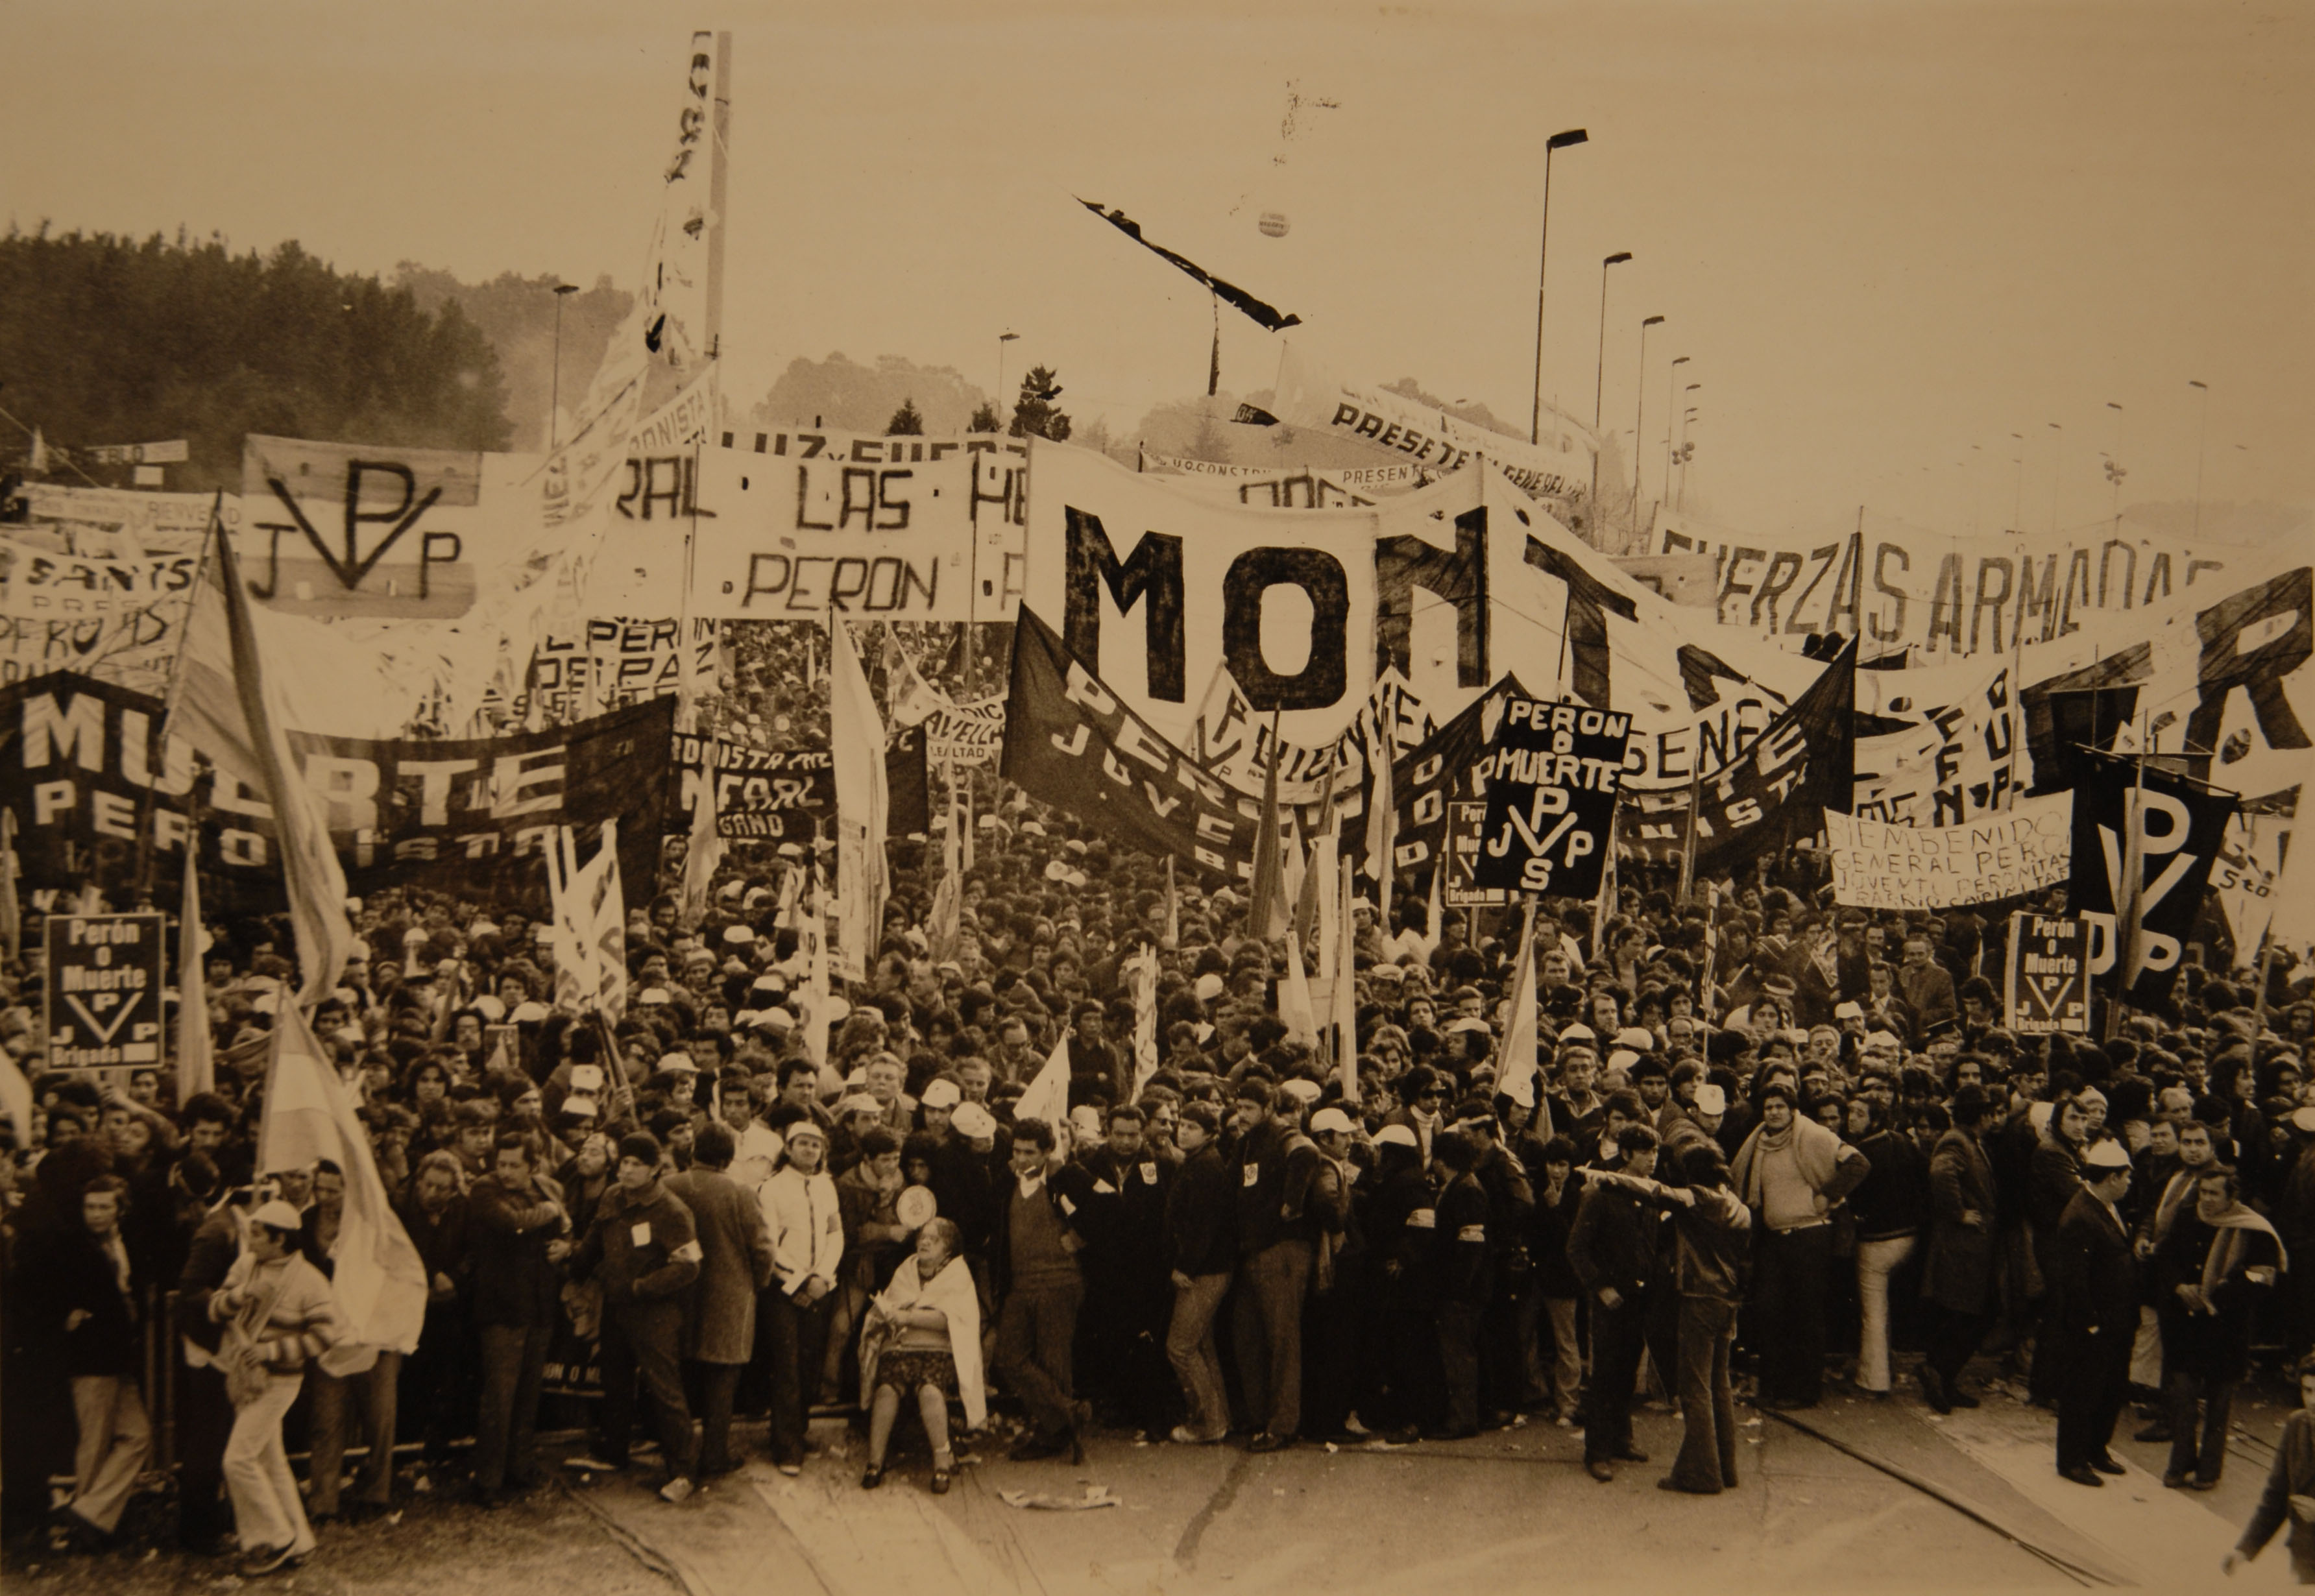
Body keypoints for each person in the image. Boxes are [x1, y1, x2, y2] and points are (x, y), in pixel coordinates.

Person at [210, 1198, 341, 1578]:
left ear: (280, 1239)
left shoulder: (309, 1281)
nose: (249, 1237)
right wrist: (238, 1298)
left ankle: (272, 1538)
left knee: (237, 1460)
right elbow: (214, 1308)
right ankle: (299, 1540)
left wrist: (269, 1351)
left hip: (280, 1382)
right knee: (271, 1462)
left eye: (257, 1232)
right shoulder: (246, 1265)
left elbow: (325, 1336)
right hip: (244, 1380)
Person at [572, 1130, 701, 1502]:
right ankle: (614, 1453)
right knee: (615, 1381)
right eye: (624, 1163)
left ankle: (683, 1471)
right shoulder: (613, 1197)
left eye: (636, 1165)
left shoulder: (672, 1211)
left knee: (665, 1389)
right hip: (616, 1308)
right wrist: (574, 1262)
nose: (626, 1171)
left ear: (655, 1169)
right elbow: (595, 1241)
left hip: (655, 1313)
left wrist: (642, 1288)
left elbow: (689, 1267)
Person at [29, 1174, 152, 1550]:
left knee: (138, 1436)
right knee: (94, 1443)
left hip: (123, 1357)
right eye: (90, 1207)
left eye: (104, 1207)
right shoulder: (72, 1246)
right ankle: (87, 1533)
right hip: (91, 1358)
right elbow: (45, 1292)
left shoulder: (128, 1243)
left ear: (120, 1210)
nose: (95, 1214)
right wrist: (65, 1317)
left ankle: (88, 1514)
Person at [1730, 1083, 1871, 1409]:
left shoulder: (1814, 1136)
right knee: (1769, 1310)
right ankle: (1774, 1387)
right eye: (1769, 1107)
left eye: (1780, 1106)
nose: (1774, 1113)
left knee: (1804, 1315)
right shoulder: (1759, 1143)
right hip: (1775, 1239)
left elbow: (1859, 1164)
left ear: (1793, 1110)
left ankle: (1804, 1391)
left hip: (1810, 1236)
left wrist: (1827, 1195)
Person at [2155, 1163, 2283, 1490]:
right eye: (2203, 1192)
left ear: (2232, 1197)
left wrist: (2217, 1294)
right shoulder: (2188, 1216)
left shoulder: (2253, 1229)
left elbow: (2261, 1278)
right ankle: (2179, 1465)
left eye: (2215, 1194)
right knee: (2183, 1399)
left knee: (2218, 1405)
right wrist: (2180, 1287)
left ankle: (2208, 1471)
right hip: (2187, 1328)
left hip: (2227, 1331)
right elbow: (2167, 1256)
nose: (2207, 1200)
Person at [665, 1119, 777, 1479]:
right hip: (731, 1297)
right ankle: (715, 1455)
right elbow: (762, 1249)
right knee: (722, 1381)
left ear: (694, 1151)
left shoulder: (670, 1186)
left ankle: (677, 1455)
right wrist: (755, 1285)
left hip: (679, 1295)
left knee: (678, 1378)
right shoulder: (741, 1192)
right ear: (730, 1157)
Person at [465, 1133, 568, 1504]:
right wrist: (552, 1211)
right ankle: (489, 1481)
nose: (505, 1172)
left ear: (533, 1166)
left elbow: (566, 1229)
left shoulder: (546, 1186)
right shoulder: (483, 1190)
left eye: (514, 1165)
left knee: (527, 1396)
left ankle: (519, 1469)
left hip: (539, 1306)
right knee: (500, 1398)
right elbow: (515, 1223)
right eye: (502, 1163)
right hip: (502, 1310)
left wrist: (565, 1246)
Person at [990, 1115, 1095, 1462]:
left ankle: (1055, 1436)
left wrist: (1079, 1237)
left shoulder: (1065, 1177)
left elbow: (1109, 1208)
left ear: (1048, 1151)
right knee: (1009, 1358)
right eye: (1017, 1151)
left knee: (1054, 1362)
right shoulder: (1010, 1181)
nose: (1022, 1159)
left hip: (1059, 1283)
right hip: (1020, 1285)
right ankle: (1069, 1412)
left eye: (1030, 1153)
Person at [857, 1217, 984, 1493]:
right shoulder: (907, 1268)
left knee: (929, 1390)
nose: (924, 1242)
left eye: (934, 1239)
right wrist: (888, 1315)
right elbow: (890, 1303)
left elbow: (949, 1319)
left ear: (948, 1248)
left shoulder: (957, 1273)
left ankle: (942, 1462)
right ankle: (874, 1462)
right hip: (901, 1347)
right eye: (922, 1237)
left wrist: (908, 1316)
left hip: (939, 1350)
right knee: (887, 1390)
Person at [758, 1117, 845, 1477]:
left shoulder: (826, 1185)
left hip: (819, 1288)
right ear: (789, 1149)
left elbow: (835, 1234)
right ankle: (786, 1445)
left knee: (809, 1363)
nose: (810, 1149)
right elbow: (766, 1245)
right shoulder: (772, 1188)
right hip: (784, 1291)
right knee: (787, 1367)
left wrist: (822, 1276)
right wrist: (797, 1282)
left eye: (816, 1144)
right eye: (803, 1143)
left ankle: (799, 1430)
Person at [2053, 1139, 2139, 1487]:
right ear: (2111, 1178)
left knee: (2110, 1388)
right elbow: (2073, 1280)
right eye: (2126, 1177)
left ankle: (2096, 1449)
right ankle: (2072, 1460)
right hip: (2095, 1324)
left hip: (2117, 1319)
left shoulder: (2105, 1205)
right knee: (2083, 1392)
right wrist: (2089, 1322)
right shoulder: (2081, 1216)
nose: (2130, 1183)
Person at [1920, 1085, 1999, 1413]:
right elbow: (1941, 1173)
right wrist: (1959, 1212)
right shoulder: (1956, 1141)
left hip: (1971, 1247)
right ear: (1982, 1116)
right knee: (1970, 1314)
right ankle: (1935, 1370)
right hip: (1962, 1247)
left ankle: (1944, 1378)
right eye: (1992, 1114)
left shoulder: (1970, 1141)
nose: (1995, 1120)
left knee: (1972, 1313)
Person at [1161, 1100, 1236, 1444]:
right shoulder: (1198, 1162)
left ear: (1209, 1134)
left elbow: (1202, 1227)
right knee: (1201, 1346)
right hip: (1208, 1267)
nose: (1183, 1131)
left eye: (1192, 1127)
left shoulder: (1206, 1167)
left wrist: (1184, 1267)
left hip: (1204, 1271)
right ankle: (1218, 1419)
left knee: (1181, 1348)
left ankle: (1208, 1422)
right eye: (1182, 1125)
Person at [2226, 1353, 2315, 1582]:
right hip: (2305, 1558)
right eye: (2308, 1391)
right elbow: (2276, 1496)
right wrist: (2245, 1549)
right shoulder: (2296, 1426)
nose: (2313, 1401)